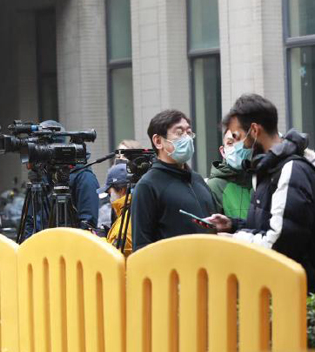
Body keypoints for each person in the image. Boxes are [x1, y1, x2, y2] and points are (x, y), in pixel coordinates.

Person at [206, 94, 315, 292]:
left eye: (237, 137)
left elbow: (280, 243)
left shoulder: (290, 170)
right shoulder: (266, 170)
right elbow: (267, 226)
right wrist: (233, 225)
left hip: (295, 292)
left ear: (254, 130)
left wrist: (235, 240)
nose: (236, 145)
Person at [131, 109, 215, 250]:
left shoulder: (197, 180)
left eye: (189, 132)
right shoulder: (148, 185)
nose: (187, 138)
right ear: (158, 141)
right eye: (179, 133)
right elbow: (141, 245)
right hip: (172, 263)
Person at [23, 120, 100, 238]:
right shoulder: (43, 178)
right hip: (42, 246)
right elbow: (29, 222)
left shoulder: (84, 178)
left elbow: (87, 226)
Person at [207, 129, 253, 219]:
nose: (236, 148)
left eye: (242, 143)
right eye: (230, 143)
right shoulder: (215, 186)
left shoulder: (260, 180)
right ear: (223, 151)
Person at [97, 163, 133, 255]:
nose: (109, 198)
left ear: (122, 190)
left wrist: (100, 239)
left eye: (109, 193)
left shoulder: (126, 220)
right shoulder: (132, 210)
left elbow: (114, 256)